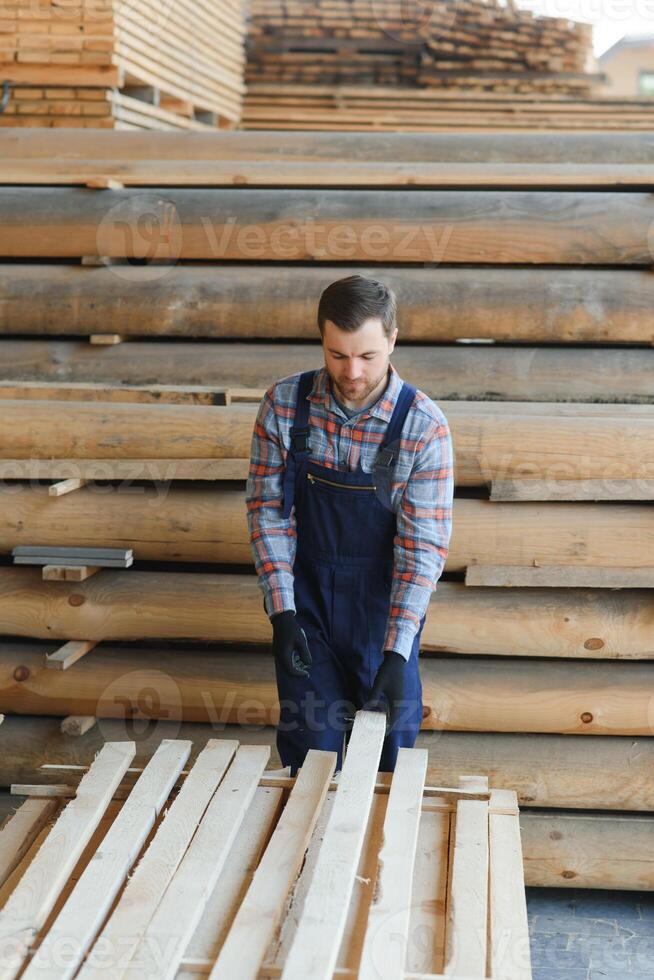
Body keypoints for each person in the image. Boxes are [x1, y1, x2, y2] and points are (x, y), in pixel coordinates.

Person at [245, 274, 454, 773]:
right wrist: (283, 614)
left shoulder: (424, 428)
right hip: (308, 610)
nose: (353, 371)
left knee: (385, 762)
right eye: (338, 355)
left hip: (382, 617)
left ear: (392, 340)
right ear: (322, 339)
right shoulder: (284, 406)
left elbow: (421, 551)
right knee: (309, 754)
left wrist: (398, 654)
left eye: (368, 356)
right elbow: (268, 513)